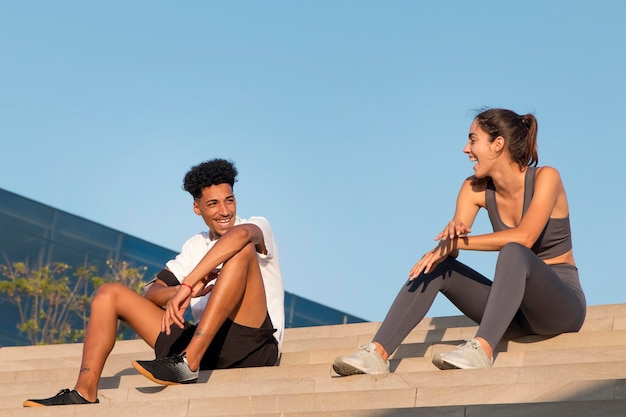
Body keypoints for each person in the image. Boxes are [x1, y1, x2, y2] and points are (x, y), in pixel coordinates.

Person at [333, 108, 586, 376]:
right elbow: (450, 249)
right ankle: (378, 353)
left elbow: (525, 237)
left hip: (560, 307)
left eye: (473, 139)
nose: (466, 149)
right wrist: (449, 240)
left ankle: (482, 349)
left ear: (497, 144)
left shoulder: (546, 178)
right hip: (514, 313)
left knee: (514, 250)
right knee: (437, 265)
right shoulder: (472, 188)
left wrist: (458, 244)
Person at [24, 158, 284, 406]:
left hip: (252, 344)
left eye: (229, 200)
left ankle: (188, 363)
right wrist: (183, 292)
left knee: (241, 250)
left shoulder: (255, 224)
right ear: (197, 208)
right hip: (209, 346)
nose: (225, 211)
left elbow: (241, 236)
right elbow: (152, 292)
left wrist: (188, 284)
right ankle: (84, 391)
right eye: (213, 204)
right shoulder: (195, 245)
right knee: (109, 293)